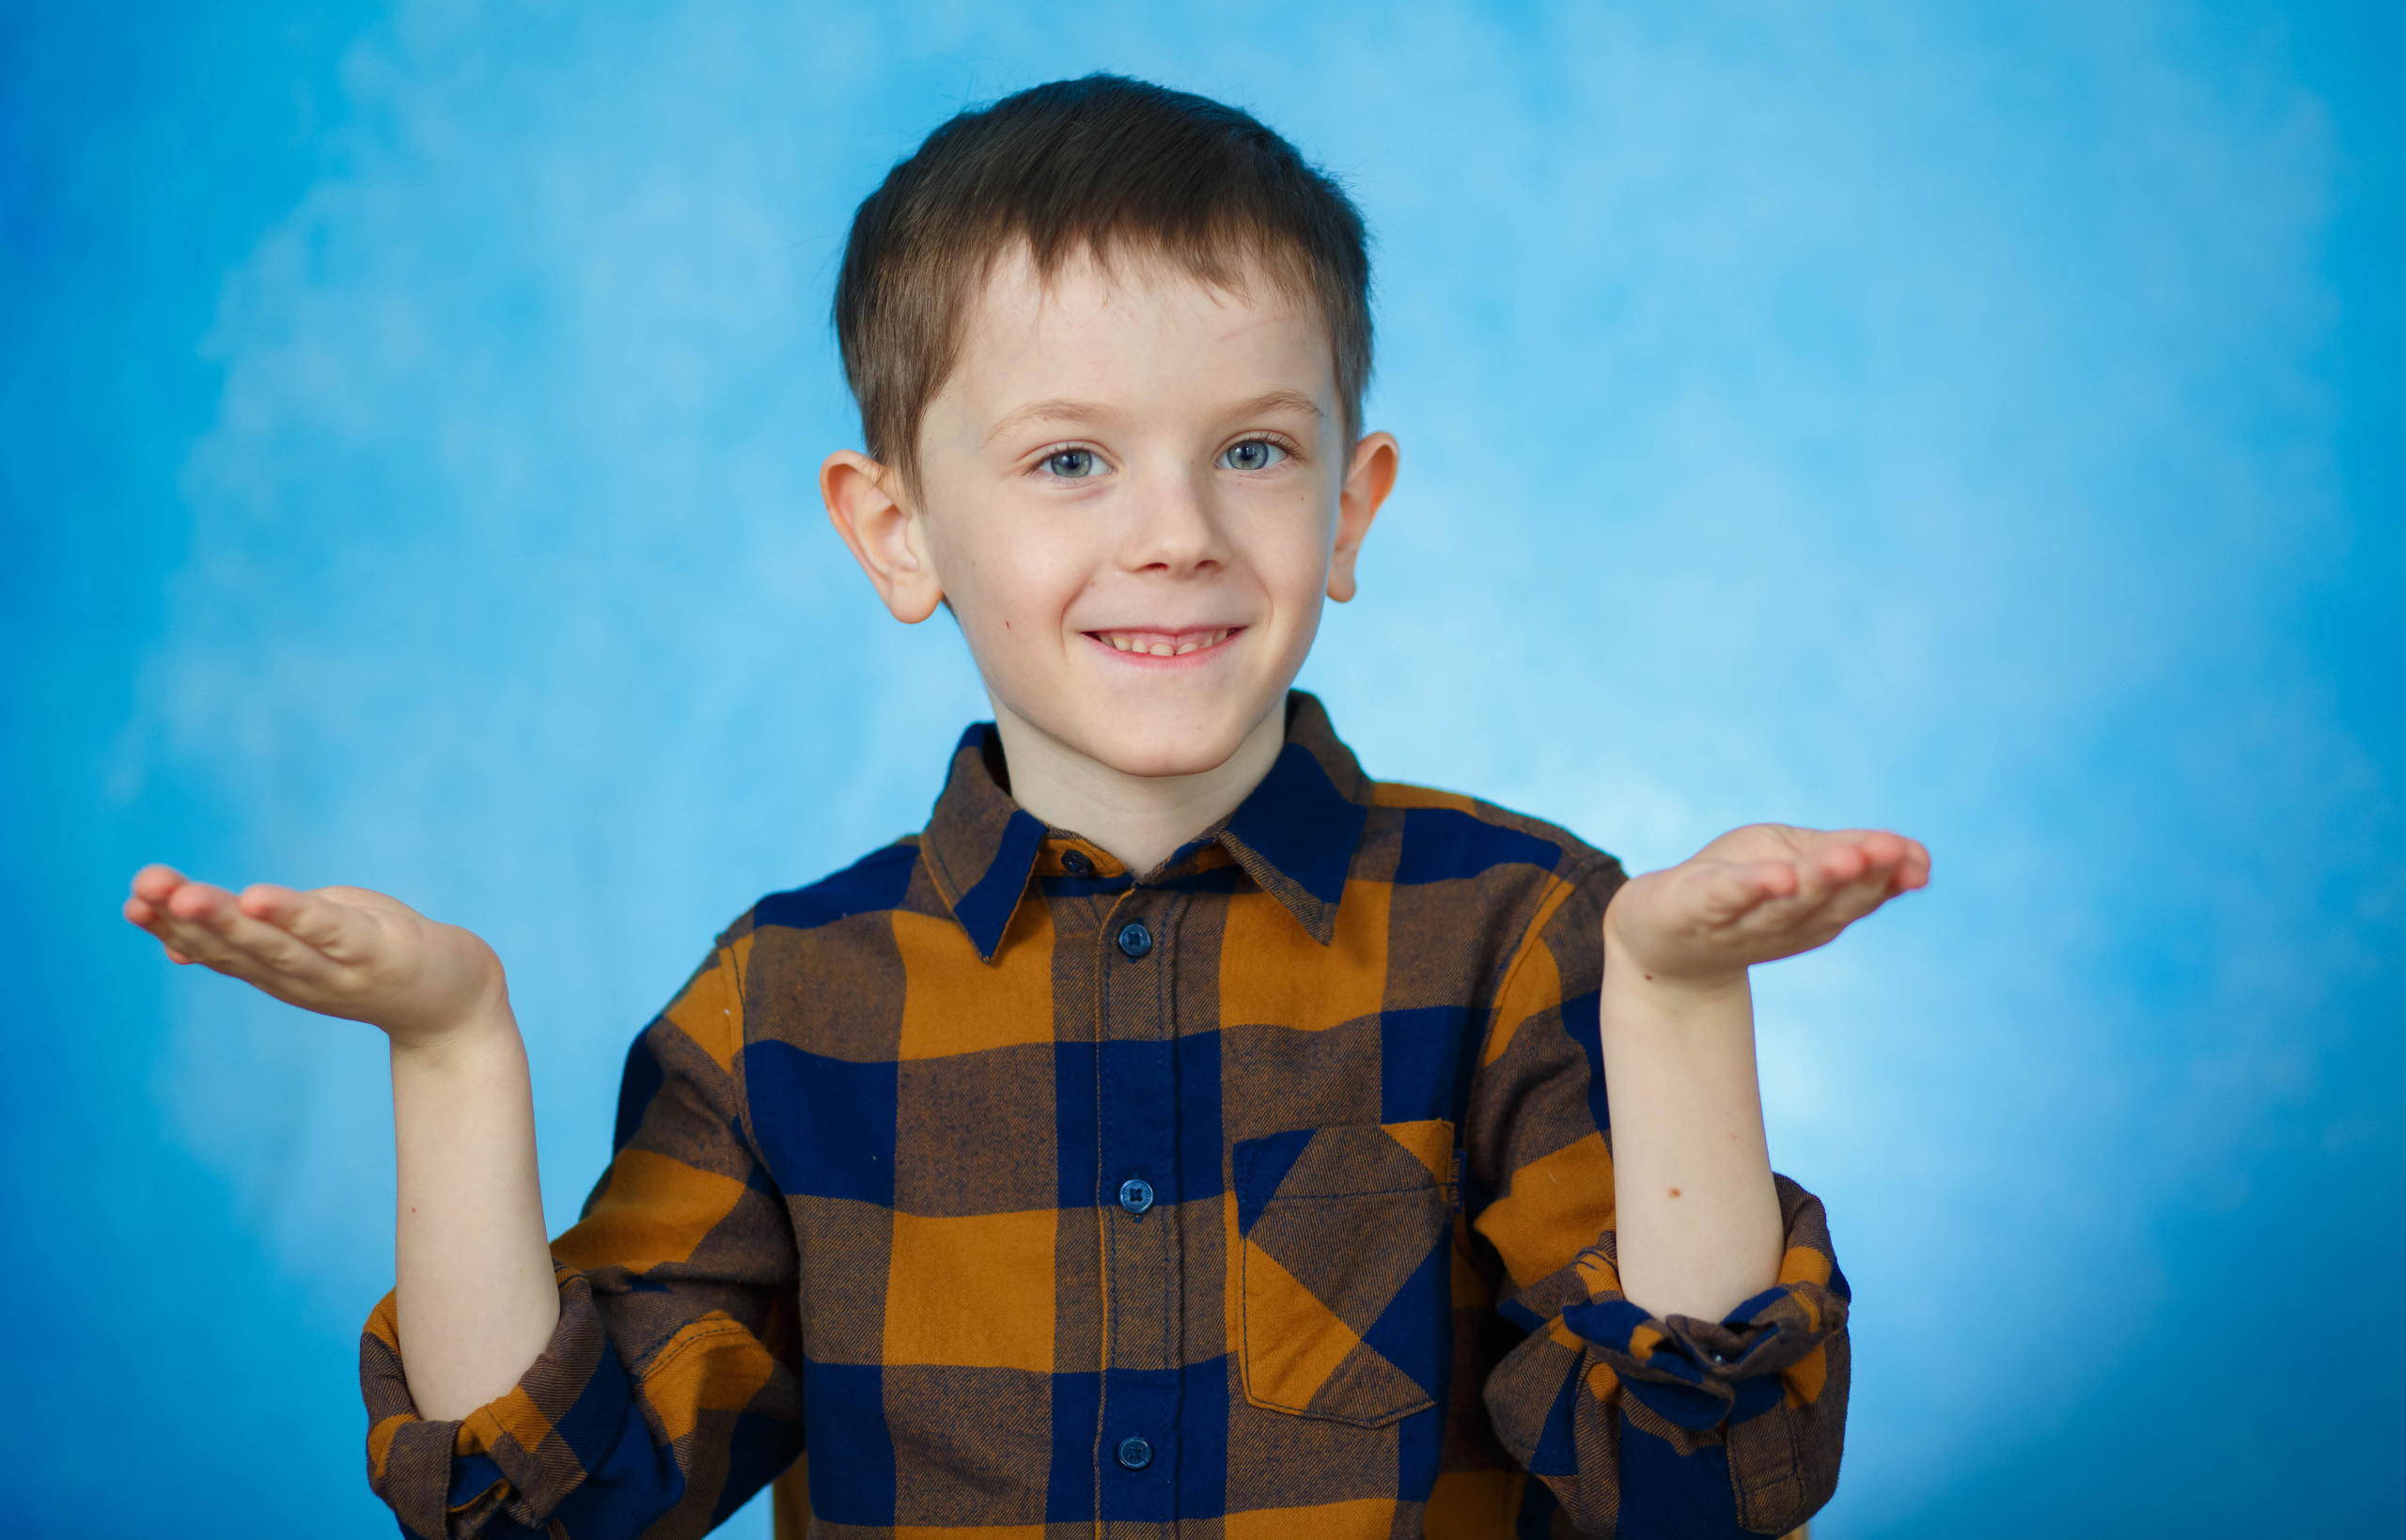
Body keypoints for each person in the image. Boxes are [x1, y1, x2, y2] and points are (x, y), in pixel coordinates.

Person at [123, 75, 1927, 1539]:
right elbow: (549, 1506)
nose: (1176, 531)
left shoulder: (1527, 931)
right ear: (894, 528)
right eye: (1072, 459)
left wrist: (1679, 1001)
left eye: (1254, 451)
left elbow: (1704, 1484)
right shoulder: (787, 1003)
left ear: (1352, 506)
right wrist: (453, 1048)